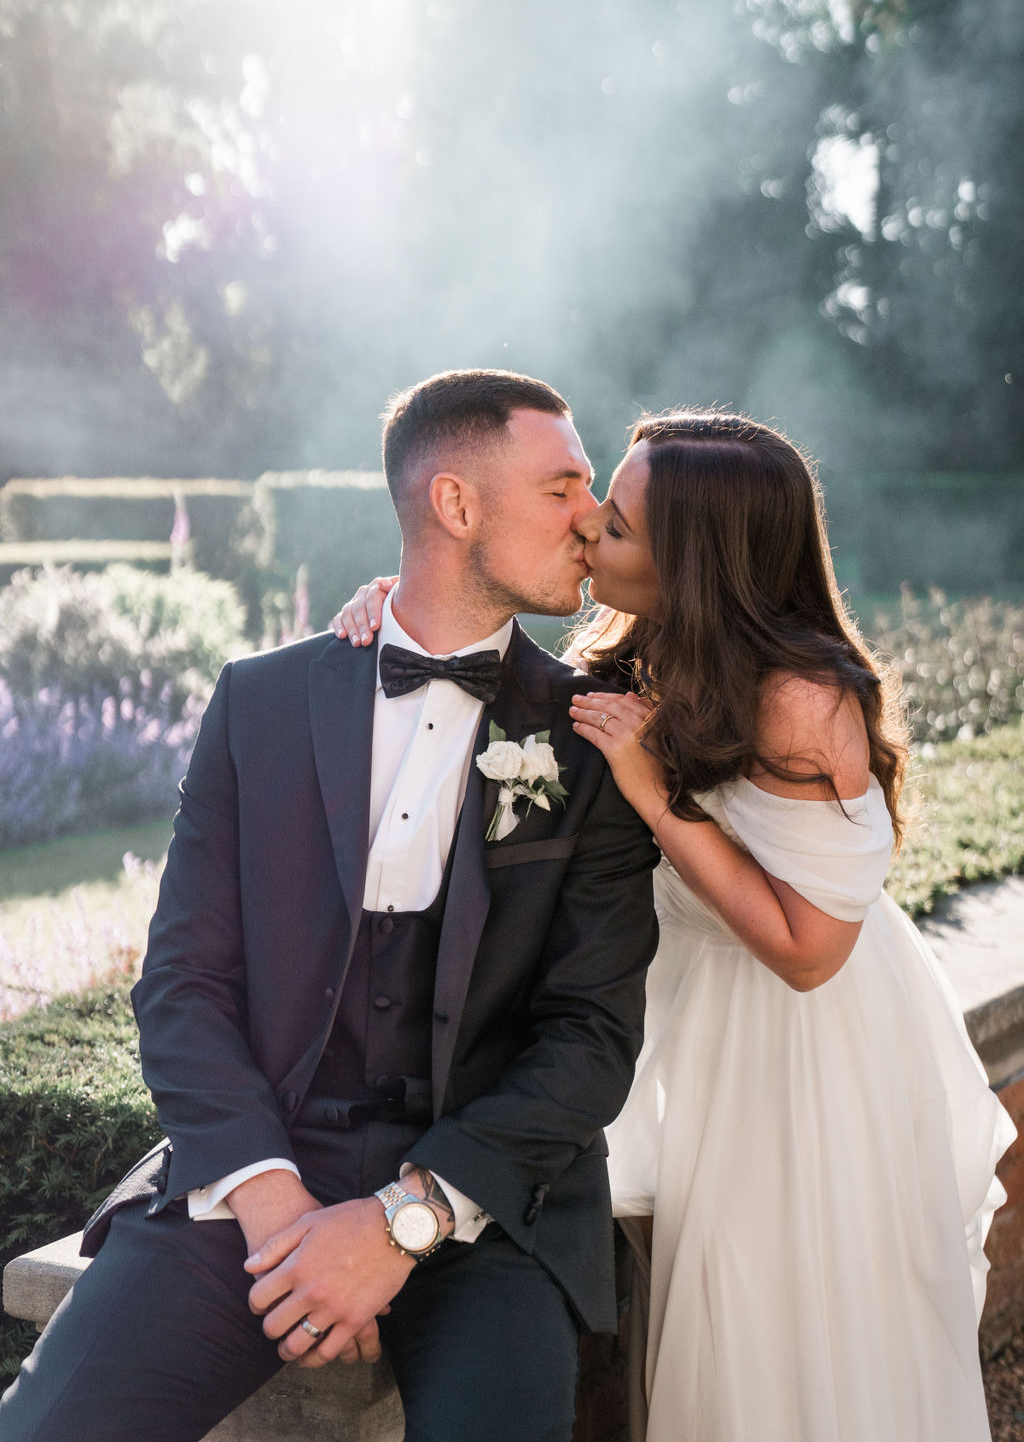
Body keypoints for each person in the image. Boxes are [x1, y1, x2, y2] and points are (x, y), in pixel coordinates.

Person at [0, 368, 660, 1442]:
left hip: (485, 1209)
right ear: (455, 504)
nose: (591, 516)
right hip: (251, 1180)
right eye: (562, 487)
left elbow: (589, 1039)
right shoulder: (257, 702)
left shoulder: (596, 744)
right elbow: (182, 984)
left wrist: (403, 1219)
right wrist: (275, 1210)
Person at [334, 409, 1015, 1442]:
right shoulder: (632, 654)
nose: (590, 522)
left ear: (696, 562)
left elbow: (807, 954)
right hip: (692, 1025)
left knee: (790, 1324)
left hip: (807, 1058)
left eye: (621, 521)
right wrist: (402, 608)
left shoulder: (802, 696)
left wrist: (658, 799)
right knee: (711, 1325)